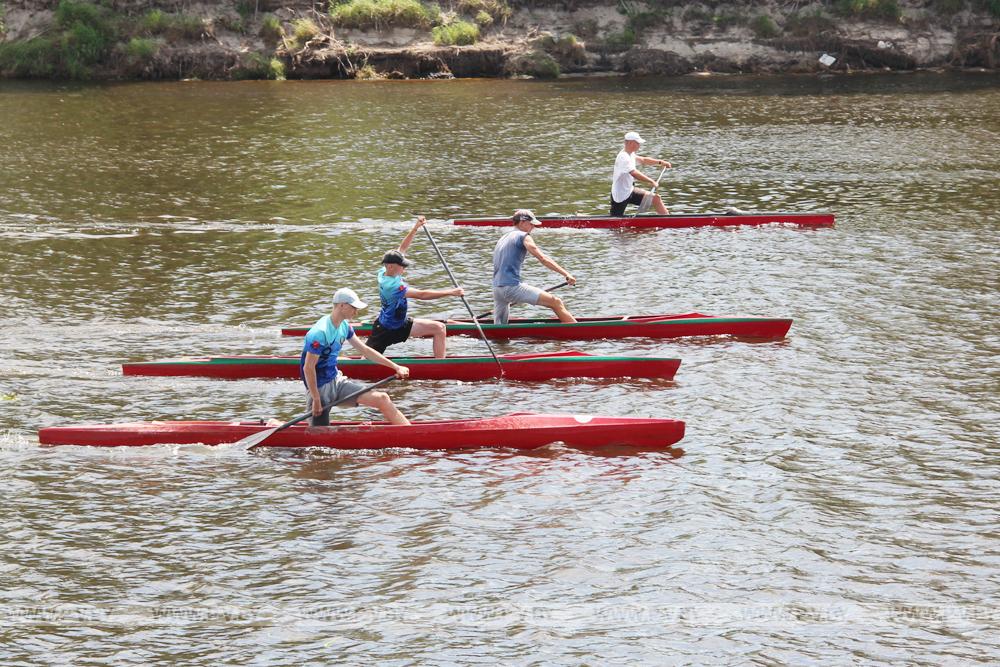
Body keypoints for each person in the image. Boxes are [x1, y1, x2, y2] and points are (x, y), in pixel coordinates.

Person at [300, 287, 411, 426]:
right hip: (319, 389)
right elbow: (308, 368)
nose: (356, 312)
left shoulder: (344, 326)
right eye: (353, 307)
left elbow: (365, 350)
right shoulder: (319, 333)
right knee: (318, 436)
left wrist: (395, 366)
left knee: (382, 398)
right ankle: (275, 424)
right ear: (342, 305)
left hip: (337, 381)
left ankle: (412, 434)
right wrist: (316, 399)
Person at [366, 215, 465, 358]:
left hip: (400, 324)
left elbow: (402, 248)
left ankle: (440, 366)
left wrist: (415, 228)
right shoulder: (393, 286)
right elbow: (421, 295)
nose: (404, 269)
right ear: (392, 267)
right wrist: (451, 292)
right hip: (386, 329)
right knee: (367, 362)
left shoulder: (383, 272)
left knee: (439, 328)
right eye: (402, 266)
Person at [492, 209, 576, 325]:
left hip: (497, 289)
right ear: (522, 222)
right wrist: (566, 274)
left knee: (500, 328)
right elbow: (543, 258)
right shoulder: (523, 236)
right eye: (531, 224)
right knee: (556, 302)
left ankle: (498, 341)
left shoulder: (503, 238)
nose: (533, 227)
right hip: (511, 287)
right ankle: (581, 333)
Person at [610, 131, 672, 216]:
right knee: (615, 222)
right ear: (631, 143)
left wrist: (661, 162)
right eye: (638, 143)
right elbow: (634, 173)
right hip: (620, 195)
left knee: (656, 199)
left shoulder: (630, 154)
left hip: (630, 191)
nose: (639, 145)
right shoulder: (623, 157)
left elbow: (643, 160)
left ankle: (667, 221)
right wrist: (651, 181)